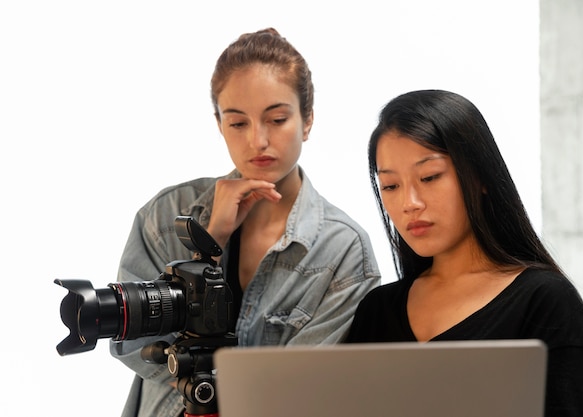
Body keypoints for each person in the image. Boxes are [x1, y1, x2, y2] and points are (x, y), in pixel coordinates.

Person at [110, 28, 381, 417]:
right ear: (219, 124)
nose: (258, 141)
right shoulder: (166, 215)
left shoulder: (343, 250)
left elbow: (305, 388)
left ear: (307, 121)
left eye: (276, 119)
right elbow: (130, 344)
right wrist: (208, 243)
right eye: (238, 123)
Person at [345, 90, 583, 416]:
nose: (410, 203)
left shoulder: (545, 301)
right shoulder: (376, 312)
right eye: (391, 186)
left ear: (480, 177)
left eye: (430, 177)